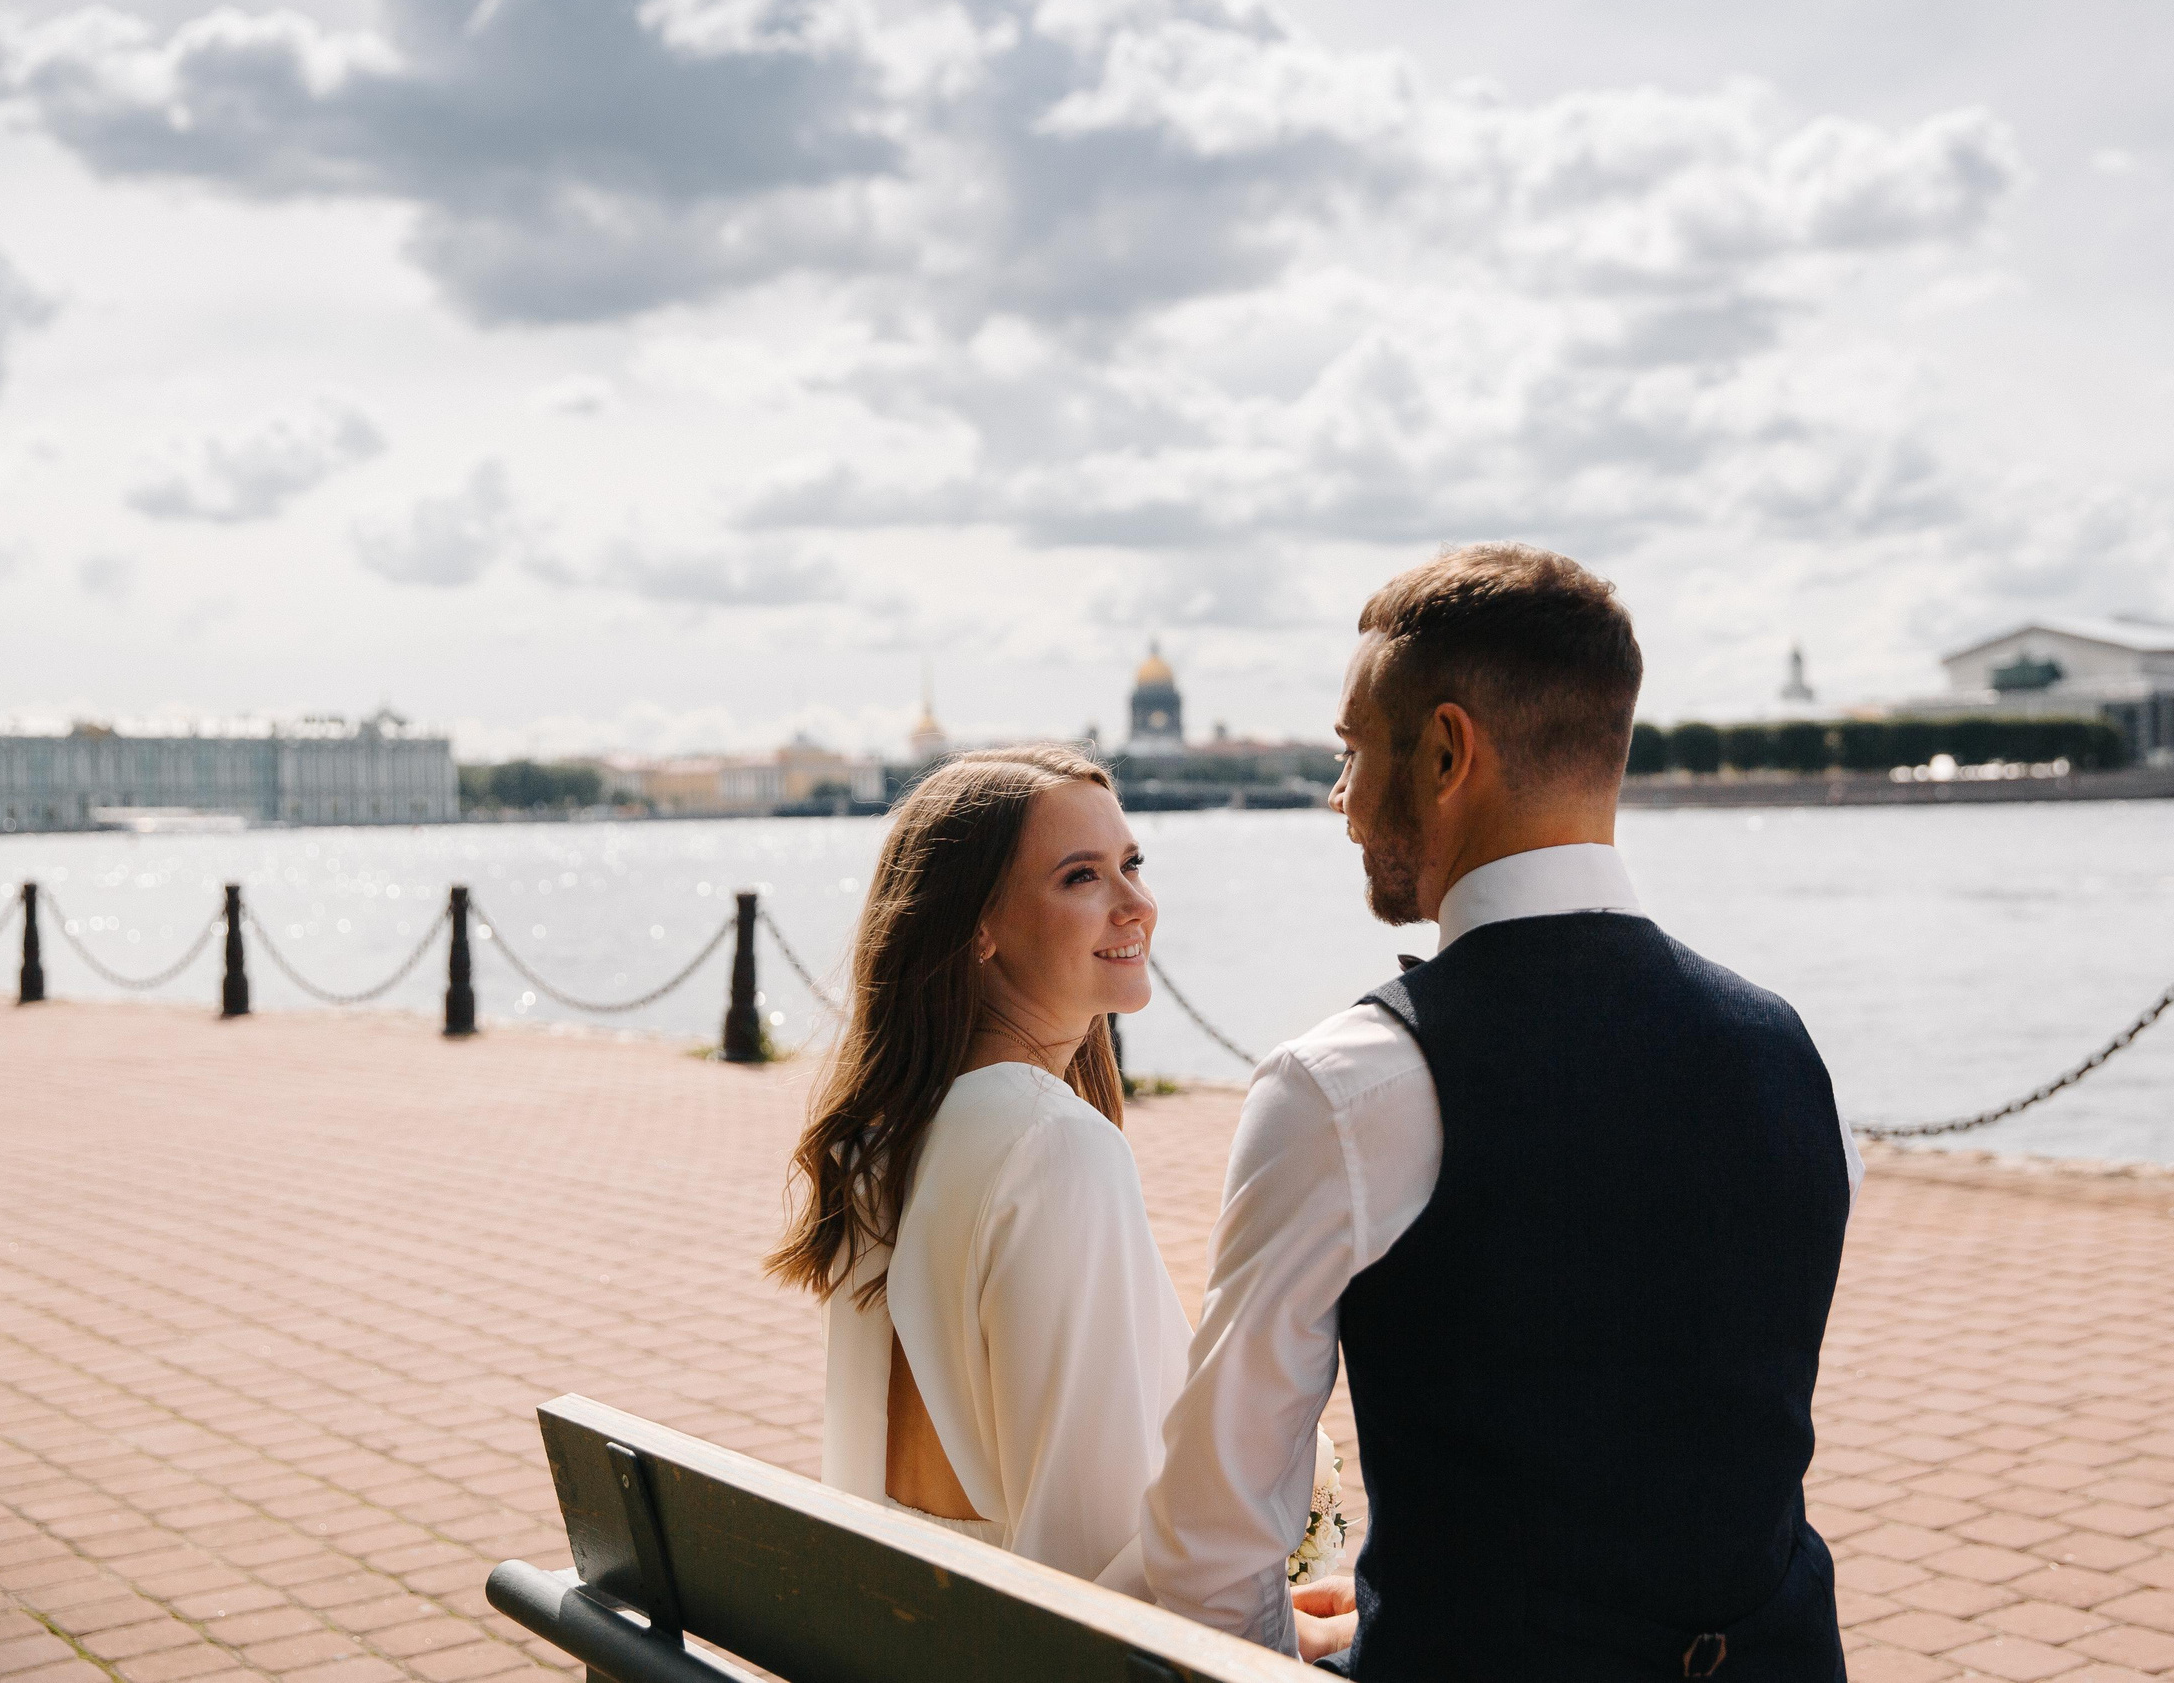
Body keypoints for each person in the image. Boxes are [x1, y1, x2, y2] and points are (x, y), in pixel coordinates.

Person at [1142, 546, 1865, 1679]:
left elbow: (1211, 1540)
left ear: (1442, 752)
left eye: (1348, 751)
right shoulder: (1789, 1051)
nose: (1338, 802)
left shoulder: (1348, 1087)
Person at [766, 746, 1191, 1581]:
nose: (1136, 904)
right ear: (979, 927)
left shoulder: (884, 1137)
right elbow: (1091, 1555)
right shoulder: (1054, 1147)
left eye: (1131, 864)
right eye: (1081, 877)